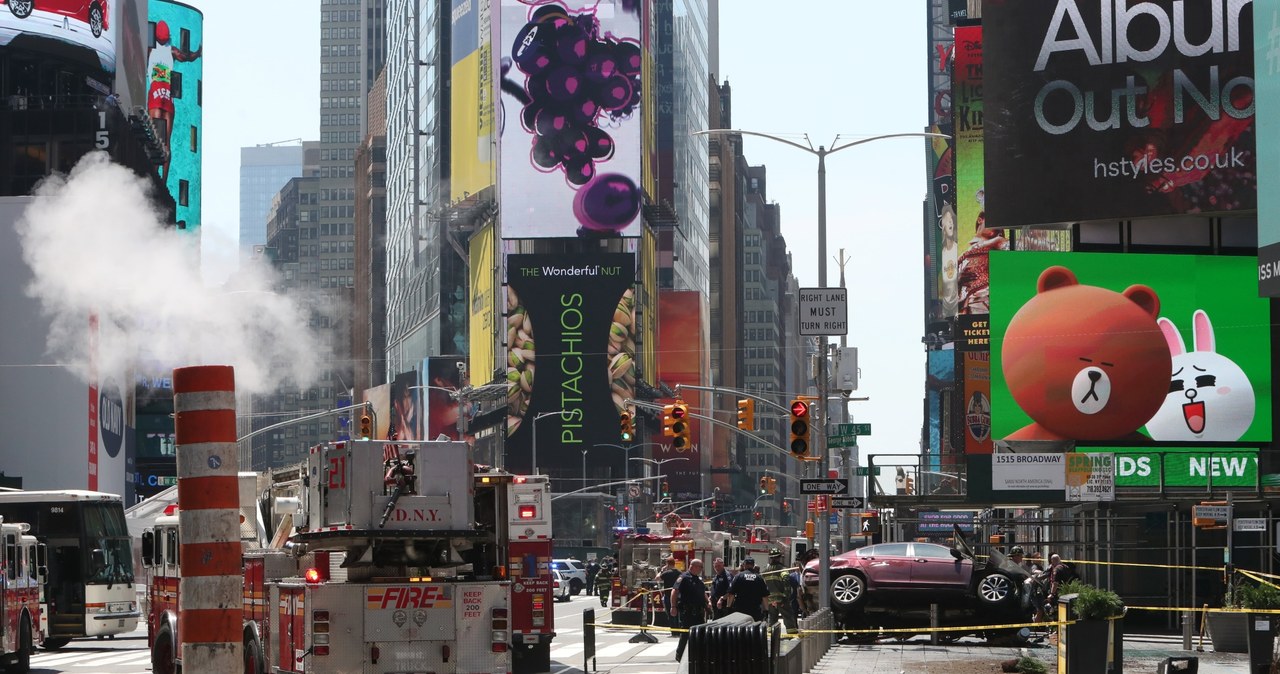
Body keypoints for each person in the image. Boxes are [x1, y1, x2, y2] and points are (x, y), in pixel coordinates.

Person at [146, 20, 201, 182]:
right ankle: (163, 180)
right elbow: (187, 57)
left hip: (155, 94)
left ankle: (155, 176)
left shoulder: (150, 50)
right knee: (166, 142)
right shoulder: (172, 51)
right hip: (167, 97)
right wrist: (198, 52)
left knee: (155, 139)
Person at [671, 558, 710, 662]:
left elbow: (702, 592)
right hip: (688, 612)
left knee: (700, 634)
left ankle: (698, 656)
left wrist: (707, 602)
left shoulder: (698, 579)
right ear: (693, 566)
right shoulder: (684, 577)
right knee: (685, 635)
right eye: (700, 567)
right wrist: (673, 606)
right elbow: (674, 591)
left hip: (698, 612)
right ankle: (680, 655)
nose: (701, 569)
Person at [725, 557, 768, 621]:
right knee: (754, 629)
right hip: (755, 610)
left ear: (744, 565)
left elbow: (731, 594)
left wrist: (728, 607)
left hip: (740, 610)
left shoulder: (738, 576)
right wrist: (766, 610)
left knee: (741, 629)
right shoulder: (759, 578)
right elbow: (765, 596)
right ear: (753, 565)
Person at [763, 548, 795, 630]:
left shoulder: (766, 570)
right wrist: (786, 597)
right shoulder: (782, 569)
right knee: (788, 618)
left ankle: (770, 638)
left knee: (772, 620)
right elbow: (786, 581)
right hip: (782, 600)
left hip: (770, 601)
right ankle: (791, 637)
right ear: (779, 557)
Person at [657, 555, 682, 633]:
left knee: (670, 613)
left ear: (667, 564)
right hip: (678, 596)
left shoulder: (666, 573)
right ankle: (678, 629)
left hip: (668, 596)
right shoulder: (679, 572)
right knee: (678, 614)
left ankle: (673, 631)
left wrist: (661, 570)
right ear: (674, 564)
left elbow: (657, 578)